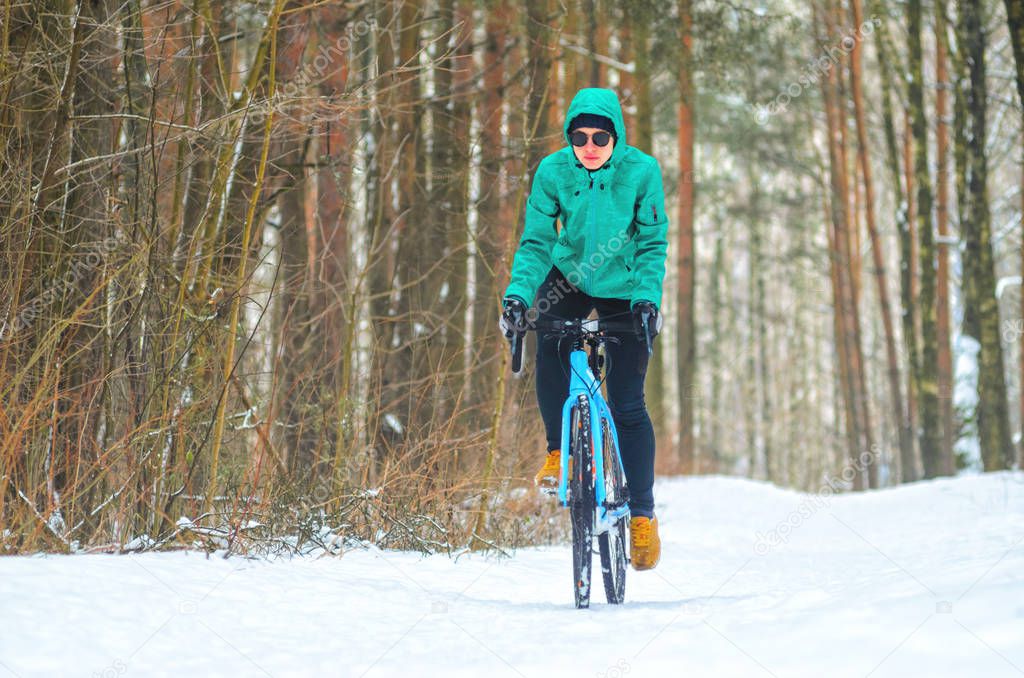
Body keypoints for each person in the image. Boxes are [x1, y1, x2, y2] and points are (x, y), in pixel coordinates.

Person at [499, 87, 668, 570]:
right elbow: (534, 242)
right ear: (569, 137)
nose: (589, 144)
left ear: (616, 136)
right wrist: (518, 294)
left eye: (600, 136)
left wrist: (645, 301)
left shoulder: (642, 171)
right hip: (569, 275)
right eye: (579, 136)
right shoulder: (553, 171)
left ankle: (641, 514)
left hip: (625, 283)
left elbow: (653, 243)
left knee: (629, 401)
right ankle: (557, 451)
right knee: (549, 339)